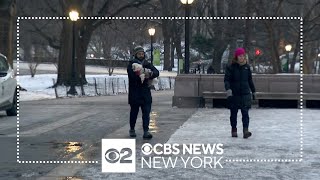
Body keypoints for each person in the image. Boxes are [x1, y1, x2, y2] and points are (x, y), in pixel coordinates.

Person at [127, 46, 159, 139]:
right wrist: (144, 74)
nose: (141, 55)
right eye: (139, 54)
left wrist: (149, 74)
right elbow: (133, 77)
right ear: (135, 54)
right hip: (135, 93)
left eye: (142, 53)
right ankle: (132, 129)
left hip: (145, 93)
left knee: (146, 113)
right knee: (134, 113)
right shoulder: (131, 64)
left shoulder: (146, 64)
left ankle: (146, 131)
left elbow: (156, 72)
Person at [224, 48, 256, 138]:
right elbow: (227, 80)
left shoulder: (247, 67)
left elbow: (250, 80)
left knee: (245, 113)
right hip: (234, 94)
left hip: (245, 94)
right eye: (240, 56)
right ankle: (234, 129)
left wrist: (253, 91)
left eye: (243, 56)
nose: (241, 57)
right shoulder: (231, 67)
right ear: (236, 57)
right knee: (233, 114)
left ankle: (245, 130)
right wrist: (228, 89)